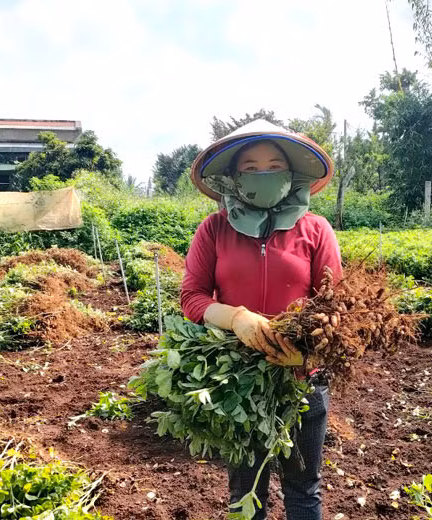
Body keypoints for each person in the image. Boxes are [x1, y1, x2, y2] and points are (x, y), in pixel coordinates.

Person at [180, 119, 342, 519]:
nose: (263, 174)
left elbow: (336, 307)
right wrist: (234, 317)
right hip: (239, 382)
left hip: (303, 381)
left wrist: (304, 357)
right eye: (251, 168)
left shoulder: (316, 230)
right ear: (234, 178)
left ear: (290, 175)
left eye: (274, 165)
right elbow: (192, 297)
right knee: (245, 491)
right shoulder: (215, 229)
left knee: (303, 488)